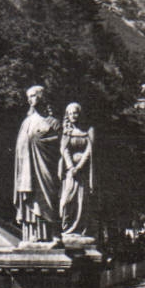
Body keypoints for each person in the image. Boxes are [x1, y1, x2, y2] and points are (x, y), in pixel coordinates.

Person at [13, 85, 62, 244]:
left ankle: (53, 235)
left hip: (46, 166)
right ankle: (32, 234)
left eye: (34, 95)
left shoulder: (53, 123)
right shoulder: (26, 122)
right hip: (28, 169)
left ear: (42, 97)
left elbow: (60, 146)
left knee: (48, 197)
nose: (30, 99)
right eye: (29, 96)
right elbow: (20, 146)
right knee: (32, 197)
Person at [58, 102, 96, 240]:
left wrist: (79, 167)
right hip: (70, 172)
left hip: (83, 172)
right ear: (67, 115)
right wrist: (70, 167)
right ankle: (67, 228)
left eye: (76, 113)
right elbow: (64, 149)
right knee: (67, 201)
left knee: (82, 201)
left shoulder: (88, 130)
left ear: (80, 114)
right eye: (70, 113)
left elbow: (90, 150)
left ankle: (80, 230)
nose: (73, 116)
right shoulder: (66, 131)